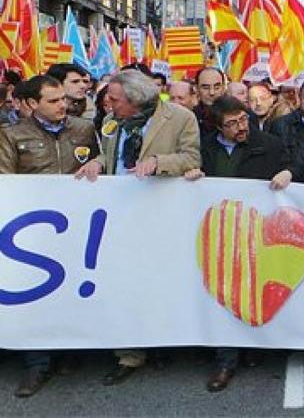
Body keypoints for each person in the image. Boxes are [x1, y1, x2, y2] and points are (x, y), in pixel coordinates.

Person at [73, 69, 201, 385]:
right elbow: (108, 156)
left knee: (157, 280)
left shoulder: (181, 117)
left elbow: (191, 158)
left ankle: (161, 343)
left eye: (115, 99)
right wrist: (97, 163)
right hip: (119, 214)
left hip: (159, 214)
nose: (108, 104)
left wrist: (159, 162)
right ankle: (128, 353)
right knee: (121, 281)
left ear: (135, 99)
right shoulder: (109, 122)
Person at [183, 95, 291, 392]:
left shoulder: (268, 145)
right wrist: (191, 176)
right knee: (222, 294)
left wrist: (288, 173)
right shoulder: (204, 148)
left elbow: (294, 170)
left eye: (243, 119)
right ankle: (226, 359)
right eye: (232, 124)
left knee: (252, 291)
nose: (241, 127)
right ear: (217, 127)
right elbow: (189, 170)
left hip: (255, 233)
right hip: (215, 232)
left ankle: (253, 347)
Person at [0, 75, 99, 398]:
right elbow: (5, 182)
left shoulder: (83, 129)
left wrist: (98, 162)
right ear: (30, 104)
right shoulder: (11, 136)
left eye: (63, 99)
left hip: (78, 227)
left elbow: (102, 166)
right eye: (53, 101)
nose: (64, 105)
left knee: (74, 289)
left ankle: (70, 352)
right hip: (32, 234)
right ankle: (37, 363)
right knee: (36, 297)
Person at [193, 67, 227, 136]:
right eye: (206, 88)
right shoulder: (190, 118)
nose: (212, 92)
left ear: (223, 88)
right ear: (196, 89)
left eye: (217, 87)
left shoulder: (237, 115)